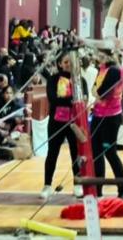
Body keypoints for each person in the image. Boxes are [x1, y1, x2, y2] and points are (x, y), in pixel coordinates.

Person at [39, 53, 87, 199]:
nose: (69, 64)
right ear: (60, 64)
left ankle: (78, 183)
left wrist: (70, 100)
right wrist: (71, 100)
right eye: (66, 62)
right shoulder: (54, 79)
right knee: (52, 153)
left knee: (75, 153)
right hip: (56, 121)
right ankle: (47, 185)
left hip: (75, 122)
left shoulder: (80, 80)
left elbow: (84, 98)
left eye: (71, 61)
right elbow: (53, 99)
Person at [91, 48, 123, 199]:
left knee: (110, 153)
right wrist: (96, 93)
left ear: (110, 55)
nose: (99, 57)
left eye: (102, 55)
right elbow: (94, 90)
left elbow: (100, 93)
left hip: (111, 117)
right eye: (98, 54)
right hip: (98, 115)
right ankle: (98, 191)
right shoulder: (102, 69)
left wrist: (97, 94)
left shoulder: (114, 71)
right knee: (96, 154)